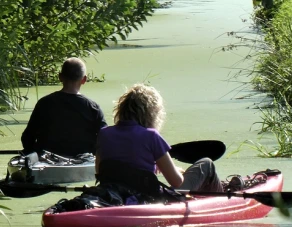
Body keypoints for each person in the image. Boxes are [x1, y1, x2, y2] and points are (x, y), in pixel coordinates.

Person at [95, 83, 223, 195]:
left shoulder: (104, 134)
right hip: (147, 196)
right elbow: (177, 182)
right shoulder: (152, 136)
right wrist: (175, 172)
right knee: (207, 163)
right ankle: (223, 202)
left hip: (117, 192)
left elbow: (101, 172)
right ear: (151, 113)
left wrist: (155, 167)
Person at [21, 57, 107, 156]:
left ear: (60, 77)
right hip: (83, 164)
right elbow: (105, 139)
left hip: (47, 164)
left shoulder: (44, 103)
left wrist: (34, 153)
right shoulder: (93, 108)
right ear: (84, 79)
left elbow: (27, 138)